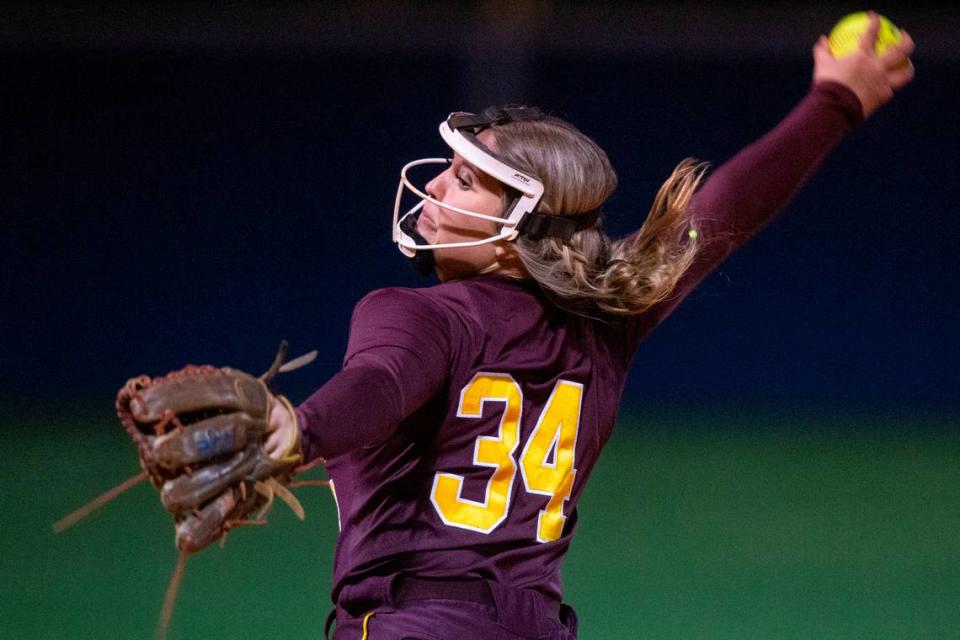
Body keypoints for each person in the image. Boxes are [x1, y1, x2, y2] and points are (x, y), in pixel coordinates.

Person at [265, 13, 914, 639]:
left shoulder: (413, 311)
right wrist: (835, 101)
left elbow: (381, 383)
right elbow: (723, 212)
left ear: (516, 224)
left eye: (465, 180)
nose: (435, 186)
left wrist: (300, 430)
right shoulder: (605, 323)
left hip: (413, 623)